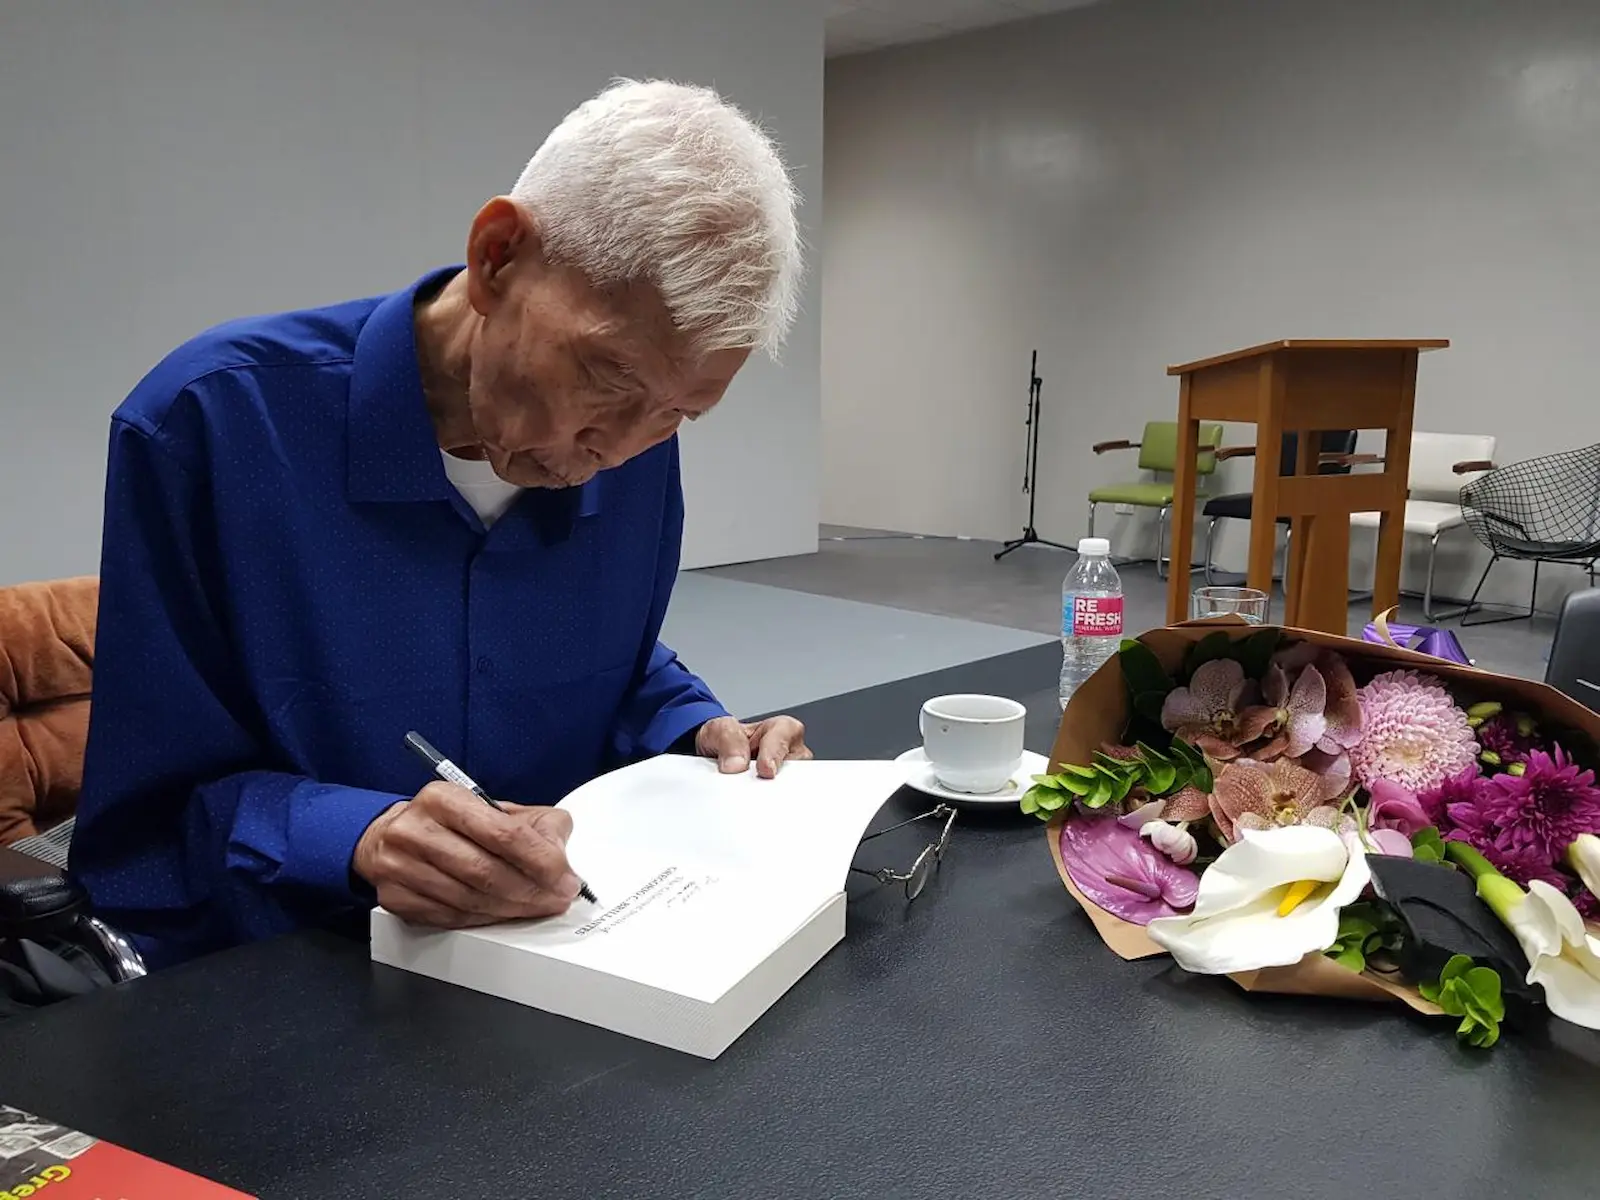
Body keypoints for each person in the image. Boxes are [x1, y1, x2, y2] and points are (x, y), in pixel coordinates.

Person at [70, 80, 811, 968]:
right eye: (606, 380)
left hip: (570, 964)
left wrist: (693, 727)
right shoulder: (215, 426)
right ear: (498, 257)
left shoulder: (631, 442)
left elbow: (602, 654)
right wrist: (358, 836)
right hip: (291, 978)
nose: (613, 450)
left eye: (680, 414)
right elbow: (142, 827)